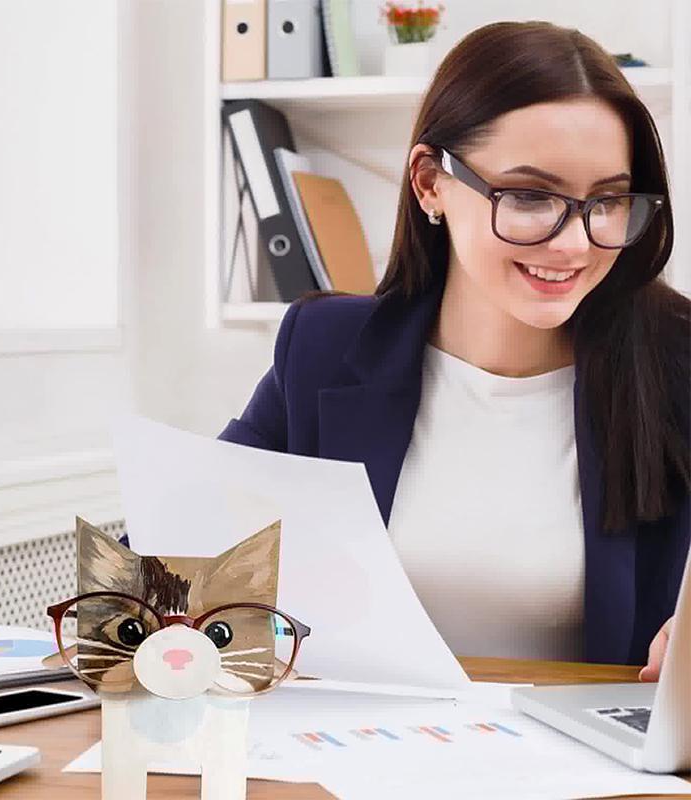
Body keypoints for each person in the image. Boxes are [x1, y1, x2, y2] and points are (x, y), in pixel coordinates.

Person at [218, 22, 690, 678]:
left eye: (607, 201)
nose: (575, 244)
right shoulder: (325, 347)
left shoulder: (676, 362)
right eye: (530, 196)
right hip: (357, 757)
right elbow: (171, 549)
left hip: (584, 772)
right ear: (430, 183)